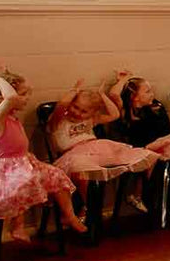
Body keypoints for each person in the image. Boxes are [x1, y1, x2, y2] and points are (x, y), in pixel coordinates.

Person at [0, 69, 86, 240]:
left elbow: (11, 100)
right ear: (2, 98)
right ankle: (17, 225)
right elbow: (11, 98)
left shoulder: (11, 116)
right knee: (23, 181)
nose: (27, 98)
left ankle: (69, 215)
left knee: (57, 176)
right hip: (3, 169)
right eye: (23, 94)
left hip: (23, 162)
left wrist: (4, 74)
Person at [48, 75, 158, 205]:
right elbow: (62, 104)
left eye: (84, 111)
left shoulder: (90, 120)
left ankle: (139, 195)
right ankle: (86, 205)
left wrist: (102, 95)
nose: (78, 113)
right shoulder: (58, 121)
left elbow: (115, 114)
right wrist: (75, 91)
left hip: (97, 149)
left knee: (143, 155)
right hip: (73, 154)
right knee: (82, 170)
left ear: (92, 113)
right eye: (75, 107)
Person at [109, 74, 170, 219]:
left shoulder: (155, 107)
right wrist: (124, 79)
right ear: (134, 97)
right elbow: (113, 94)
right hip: (143, 148)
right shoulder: (126, 113)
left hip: (162, 143)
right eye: (147, 91)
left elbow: (165, 132)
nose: (152, 94)